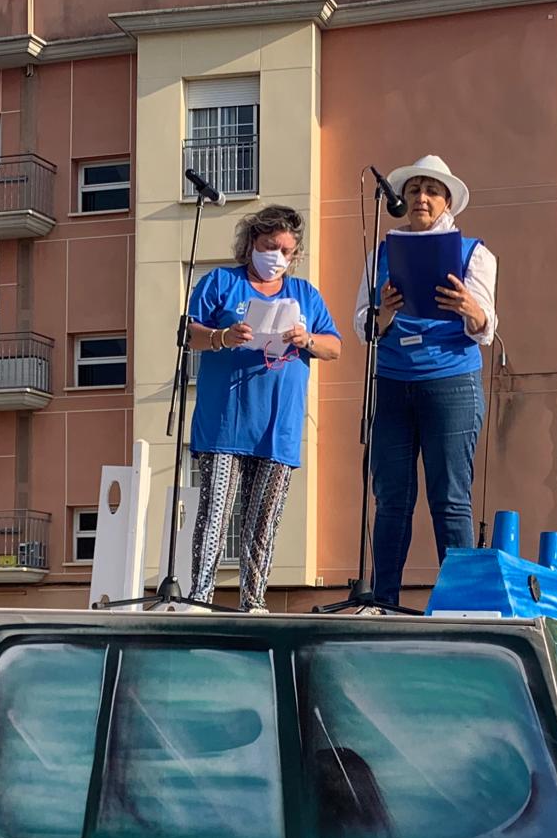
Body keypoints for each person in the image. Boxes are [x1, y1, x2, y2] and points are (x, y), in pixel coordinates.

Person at [355, 155, 498, 606]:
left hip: (451, 382)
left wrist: (469, 309)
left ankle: (463, 605)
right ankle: (384, 600)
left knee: (451, 498)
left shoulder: (475, 253)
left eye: (432, 191)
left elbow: (487, 326)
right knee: (391, 498)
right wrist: (385, 312)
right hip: (393, 383)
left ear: (448, 202)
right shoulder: (382, 253)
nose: (421, 198)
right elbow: (362, 326)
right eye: (415, 190)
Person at [186, 205, 342, 611]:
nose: (278, 256)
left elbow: (335, 346)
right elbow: (189, 333)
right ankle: (200, 597)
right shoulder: (221, 282)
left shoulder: (305, 294)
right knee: (215, 513)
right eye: (270, 246)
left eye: (287, 250)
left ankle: (253, 601)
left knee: (263, 521)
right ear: (251, 243)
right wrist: (223, 336)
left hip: (278, 427)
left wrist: (306, 340)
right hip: (224, 423)